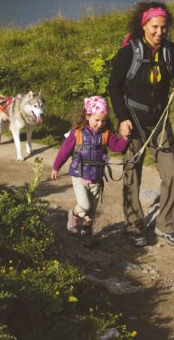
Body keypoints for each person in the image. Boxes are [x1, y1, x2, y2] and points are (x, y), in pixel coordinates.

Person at [107, 1, 174, 247]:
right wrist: (122, 118)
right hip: (132, 121)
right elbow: (113, 87)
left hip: (160, 121)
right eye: (154, 27)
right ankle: (133, 226)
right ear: (143, 25)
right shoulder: (128, 53)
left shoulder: (172, 52)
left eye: (163, 28)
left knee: (172, 171)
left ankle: (168, 225)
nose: (159, 32)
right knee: (132, 173)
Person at [51, 96, 128, 237]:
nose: (100, 124)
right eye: (97, 120)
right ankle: (74, 214)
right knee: (84, 205)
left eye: (103, 120)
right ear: (87, 116)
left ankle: (86, 232)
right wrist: (56, 167)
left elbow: (116, 147)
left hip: (96, 177)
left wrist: (125, 138)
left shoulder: (106, 134)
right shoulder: (77, 133)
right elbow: (64, 151)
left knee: (91, 210)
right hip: (79, 176)